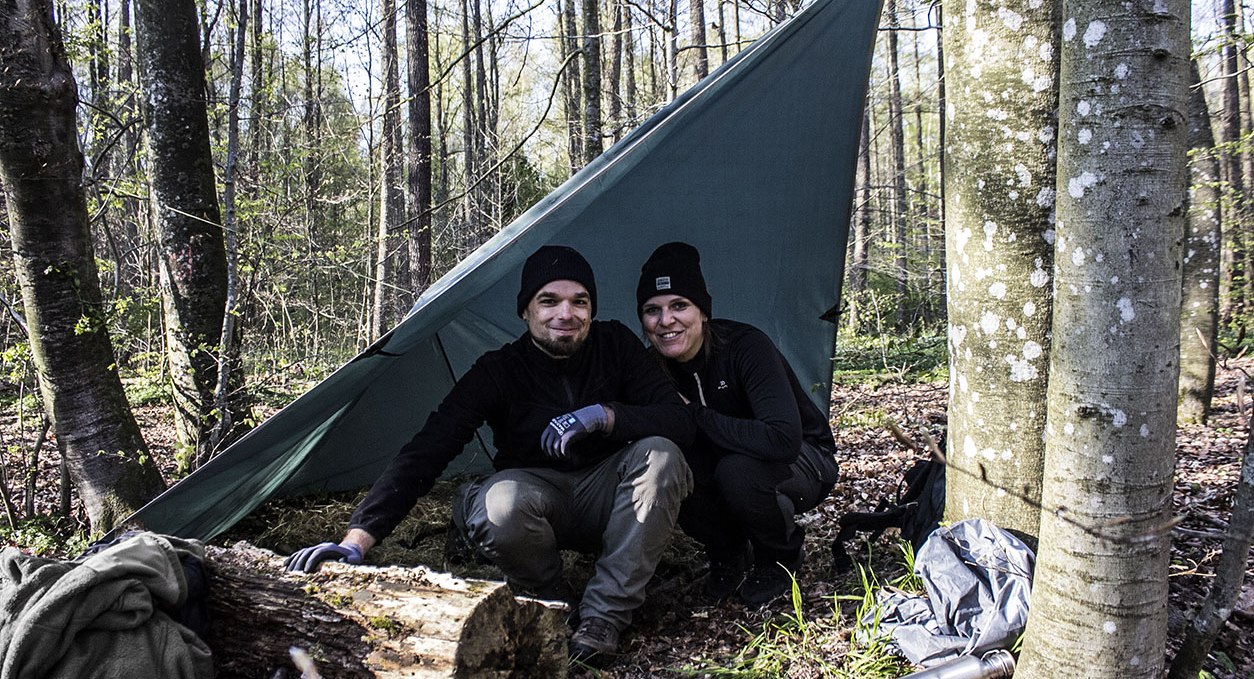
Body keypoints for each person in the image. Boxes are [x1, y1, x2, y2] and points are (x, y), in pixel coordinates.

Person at [285, 245, 695, 664]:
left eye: (579, 301)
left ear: (592, 309)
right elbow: (428, 450)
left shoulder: (616, 345)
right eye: (548, 300)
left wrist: (605, 416)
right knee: (501, 503)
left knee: (662, 455)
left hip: (607, 495)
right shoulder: (499, 370)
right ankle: (549, 601)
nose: (565, 314)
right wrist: (357, 540)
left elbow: (679, 422)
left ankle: (602, 618)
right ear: (526, 311)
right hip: (535, 500)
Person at [635, 241, 840, 606]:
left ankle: (780, 557)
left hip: (804, 459)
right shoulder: (652, 369)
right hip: (723, 462)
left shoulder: (745, 347)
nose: (666, 321)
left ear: (703, 312)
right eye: (653, 310)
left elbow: (782, 439)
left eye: (679, 305)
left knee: (737, 471)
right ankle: (729, 555)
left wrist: (696, 415)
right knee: (676, 468)